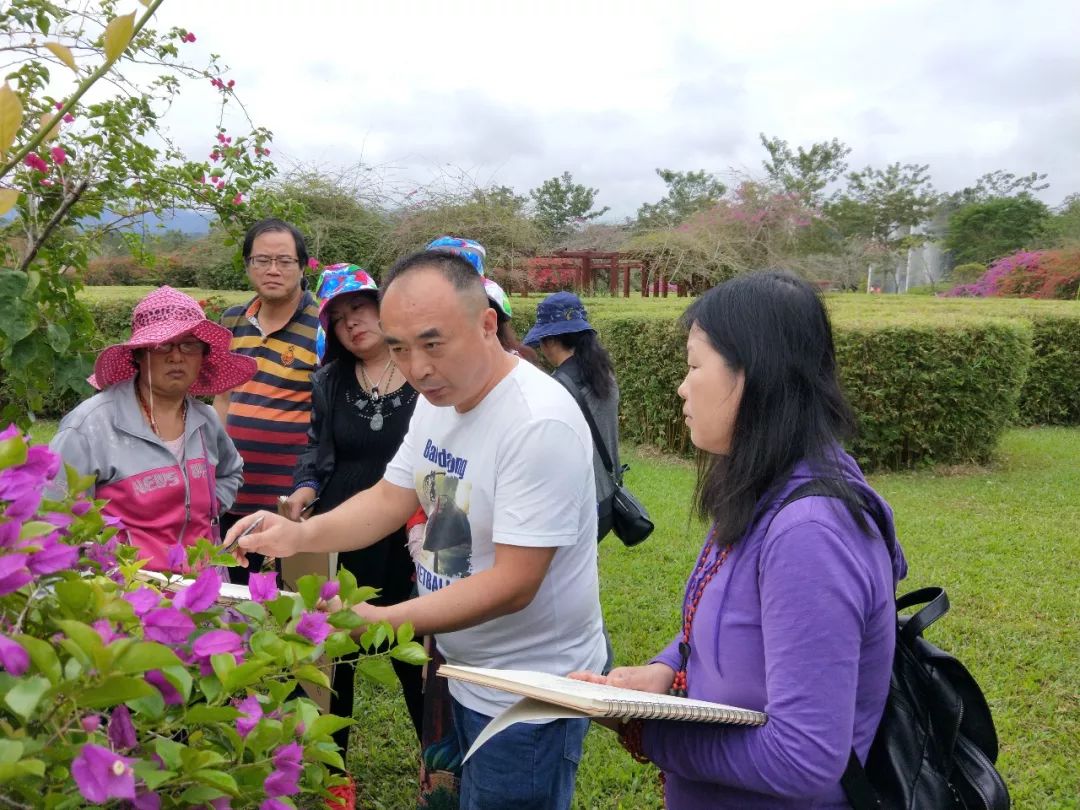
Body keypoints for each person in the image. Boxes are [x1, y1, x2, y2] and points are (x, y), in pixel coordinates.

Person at [225, 249, 607, 810]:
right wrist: (300, 536)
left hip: (524, 687)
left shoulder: (535, 423)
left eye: (433, 343)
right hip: (456, 662)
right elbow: (390, 496)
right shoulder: (438, 401)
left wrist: (380, 621)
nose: (417, 367)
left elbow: (515, 582)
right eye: (399, 347)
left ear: (486, 324)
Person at [571, 271, 907, 809]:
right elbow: (721, 625)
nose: (683, 386)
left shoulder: (810, 534)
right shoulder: (764, 486)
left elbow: (805, 758)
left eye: (694, 365)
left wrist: (645, 733)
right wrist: (665, 669)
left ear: (755, 374)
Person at [281, 264, 424, 758]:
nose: (353, 323)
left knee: (415, 648)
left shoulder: (420, 368)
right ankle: (331, 769)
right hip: (346, 529)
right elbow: (317, 450)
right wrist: (304, 486)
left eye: (360, 308)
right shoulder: (330, 380)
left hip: (413, 532)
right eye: (339, 318)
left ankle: (439, 765)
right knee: (334, 651)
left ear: (382, 307)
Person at [50, 287, 255, 572]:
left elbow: (231, 471)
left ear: (202, 356)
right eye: (162, 345)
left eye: (189, 345)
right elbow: (54, 518)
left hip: (203, 592)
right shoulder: (90, 427)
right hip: (128, 596)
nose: (176, 357)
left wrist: (204, 508)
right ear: (138, 354)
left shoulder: (205, 421)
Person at [212, 218, 321, 583]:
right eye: (262, 260)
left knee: (293, 606)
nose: (273, 270)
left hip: (290, 504)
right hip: (233, 496)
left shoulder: (323, 326)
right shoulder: (232, 320)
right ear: (248, 265)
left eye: (284, 261)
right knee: (234, 601)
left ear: (302, 266)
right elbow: (222, 399)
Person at [524, 291, 620, 540]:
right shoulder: (604, 374)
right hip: (608, 495)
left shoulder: (558, 386)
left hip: (581, 503)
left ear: (551, 341)